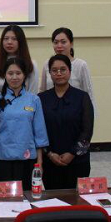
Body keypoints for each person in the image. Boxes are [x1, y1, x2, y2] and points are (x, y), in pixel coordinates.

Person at [0, 57, 48, 188]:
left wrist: (40, 164)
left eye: (18, 73)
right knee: (5, 197)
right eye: (10, 73)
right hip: (3, 160)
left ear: (24, 75)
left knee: (28, 197)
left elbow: (39, 134)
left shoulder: (34, 100)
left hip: (29, 160)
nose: (14, 77)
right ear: (4, 75)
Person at [39, 55, 94, 189]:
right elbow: (38, 130)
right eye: (54, 70)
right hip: (50, 161)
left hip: (78, 160)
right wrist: (49, 154)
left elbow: (87, 131)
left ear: (70, 71)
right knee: (53, 198)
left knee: (77, 199)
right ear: (50, 73)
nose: (59, 73)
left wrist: (72, 153)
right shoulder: (41, 99)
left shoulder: (82, 97)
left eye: (63, 69)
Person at [39, 27, 97, 115]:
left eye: (63, 42)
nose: (59, 46)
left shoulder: (81, 65)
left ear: (71, 43)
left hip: (74, 114)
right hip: (51, 113)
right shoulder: (47, 64)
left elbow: (89, 94)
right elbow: (42, 90)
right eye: (56, 42)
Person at [0, 24, 40, 95]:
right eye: (6, 38)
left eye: (14, 39)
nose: (9, 42)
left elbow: (33, 92)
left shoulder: (31, 64)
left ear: (21, 41)